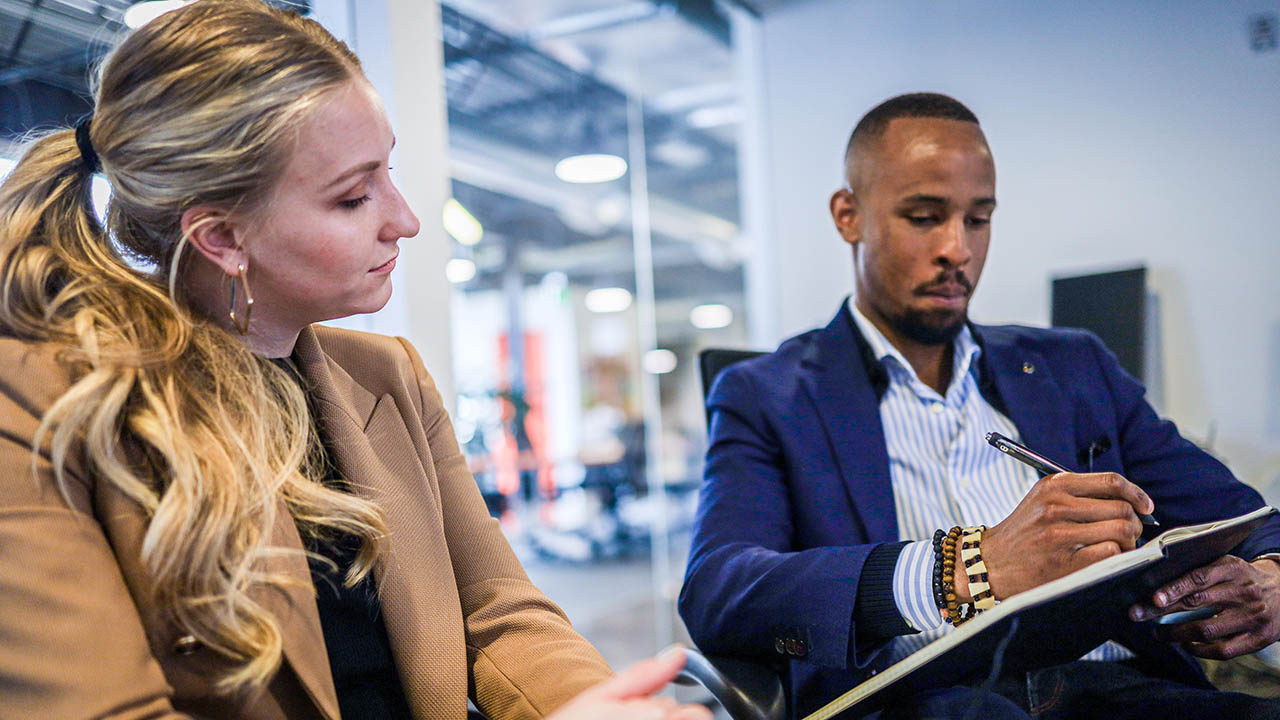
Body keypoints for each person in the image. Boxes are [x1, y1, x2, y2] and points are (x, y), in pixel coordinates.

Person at [0, 2, 712, 719]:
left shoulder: (387, 377)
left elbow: (500, 612)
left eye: (389, 172)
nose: (405, 220)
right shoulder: (44, 403)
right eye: (353, 197)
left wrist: (592, 706)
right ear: (222, 238)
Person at [677, 92, 1280, 719]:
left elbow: (1246, 514)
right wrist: (967, 568)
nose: (957, 250)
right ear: (848, 215)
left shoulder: (1074, 367)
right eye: (924, 217)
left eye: (978, 219)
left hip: (1121, 689)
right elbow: (721, 591)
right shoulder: (768, 394)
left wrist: (1271, 577)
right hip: (929, 702)